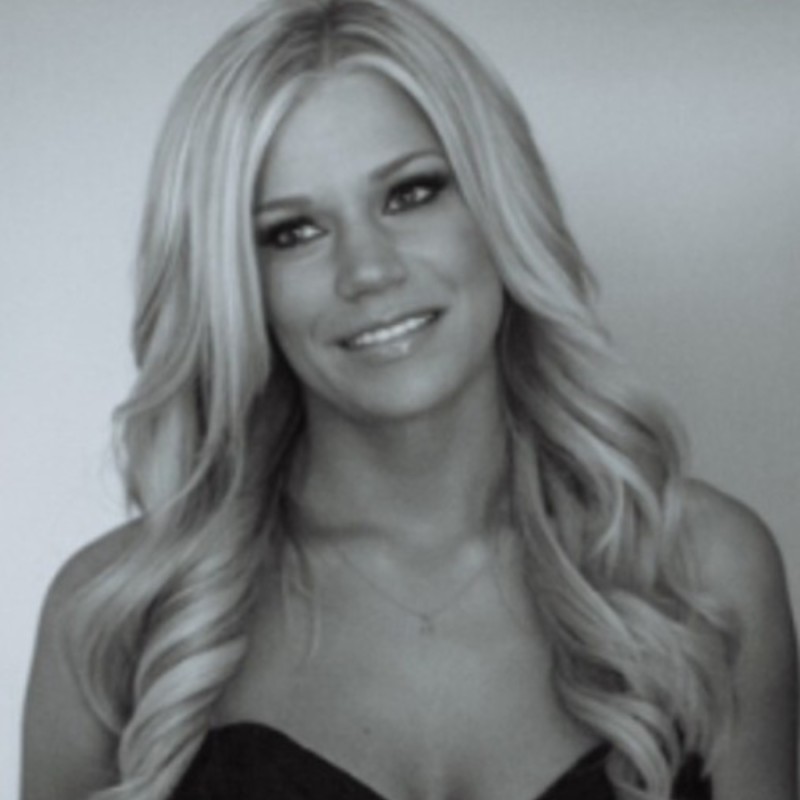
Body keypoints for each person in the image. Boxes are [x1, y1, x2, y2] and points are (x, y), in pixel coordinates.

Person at [22, 0, 798, 798]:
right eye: (292, 232)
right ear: (236, 283)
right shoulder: (117, 619)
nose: (369, 270)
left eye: (411, 193)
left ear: (499, 205)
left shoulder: (703, 571)